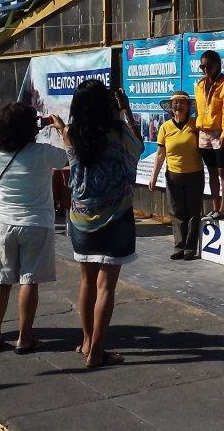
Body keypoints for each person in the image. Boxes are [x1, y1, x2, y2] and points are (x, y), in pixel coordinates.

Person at [63, 80, 143, 368]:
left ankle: (87, 341)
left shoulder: (70, 133)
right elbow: (138, 147)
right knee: (106, 286)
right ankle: (97, 351)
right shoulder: (118, 132)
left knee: (86, 282)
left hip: (81, 218)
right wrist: (126, 110)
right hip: (116, 216)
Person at [0, 102, 69, 354]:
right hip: (35, 224)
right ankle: (24, 338)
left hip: (2, 223)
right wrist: (60, 129)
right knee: (29, 281)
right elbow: (69, 156)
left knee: (0, 281)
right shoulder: (43, 152)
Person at [149, 91, 204, 260]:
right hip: (173, 175)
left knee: (193, 212)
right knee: (176, 211)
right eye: (175, 103)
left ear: (188, 107)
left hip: (194, 174)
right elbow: (160, 154)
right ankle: (179, 246)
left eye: (181, 102)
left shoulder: (195, 125)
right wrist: (153, 176)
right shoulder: (165, 127)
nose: (178, 106)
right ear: (171, 107)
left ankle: (190, 248)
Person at [194, 50, 224, 221]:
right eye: (202, 67)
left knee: (223, 172)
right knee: (211, 172)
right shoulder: (200, 85)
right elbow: (199, 110)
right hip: (204, 133)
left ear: (218, 65)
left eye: (209, 66)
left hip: (219, 133)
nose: (206, 70)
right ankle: (215, 208)